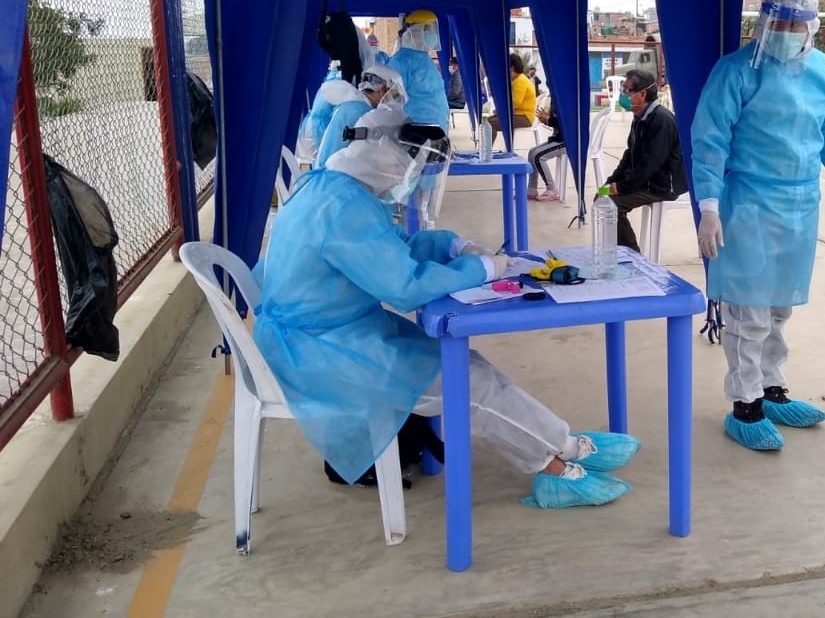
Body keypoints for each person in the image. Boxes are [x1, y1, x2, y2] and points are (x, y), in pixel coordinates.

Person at [252, 122, 641, 508]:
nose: (408, 177)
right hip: (320, 352)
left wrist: (453, 246)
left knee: (467, 364)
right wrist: (479, 269)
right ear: (384, 159)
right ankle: (556, 466)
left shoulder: (331, 187)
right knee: (468, 383)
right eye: (407, 166)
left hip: (335, 332)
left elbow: (391, 247)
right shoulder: (344, 209)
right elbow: (403, 287)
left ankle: (563, 444)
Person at [691, 0, 825, 452]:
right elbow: (709, 141)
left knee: (779, 307)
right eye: (779, 24)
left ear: (813, 26)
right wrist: (709, 206)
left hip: (800, 204)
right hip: (747, 201)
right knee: (748, 308)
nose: (787, 33)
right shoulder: (735, 71)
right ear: (763, 22)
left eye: (796, 25)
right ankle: (744, 403)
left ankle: (771, 389)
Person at [605, 69, 687, 251]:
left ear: (642, 94)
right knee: (601, 196)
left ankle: (632, 256)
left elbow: (650, 164)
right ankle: (613, 251)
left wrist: (622, 187)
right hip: (644, 182)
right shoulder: (639, 117)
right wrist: (611, 181)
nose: (623, 95)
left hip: (661, 187)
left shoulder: (661, 120)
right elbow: (629, 155)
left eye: (627, 90)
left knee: (611, 205)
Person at [315, 65, 406, 168]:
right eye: (394, 96)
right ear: (383, 89)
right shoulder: (363, 112)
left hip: (326, 171)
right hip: (335, 173)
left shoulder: (353, 105)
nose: (394, 102)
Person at [388, 9, 450, 128]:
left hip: (436, 129)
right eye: (426, 28)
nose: (431, 33)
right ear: (414, 31)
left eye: (432, 28)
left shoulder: (425, 59)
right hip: (416, 130)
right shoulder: (401, 61)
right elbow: (392, 99)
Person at [487, 53, 537, 141]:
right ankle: (487, 147)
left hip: (525, 117)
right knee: (487, 121)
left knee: (489, 124)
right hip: (519, 114)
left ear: (512, 68)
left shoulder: (520, 81)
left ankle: (487, 148)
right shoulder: (518, 79)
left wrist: (500, 111)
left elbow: (514, 103)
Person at [527, 101, 565, 201]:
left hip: (567, 142)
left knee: (538, 156)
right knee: (532, 152)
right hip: (559, 139)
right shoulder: (556, 98)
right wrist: (546, 119)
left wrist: (548, 119)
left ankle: (551, 189)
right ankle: (532, 188)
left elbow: (564, 122)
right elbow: (557, 122)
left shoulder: (565, 99)